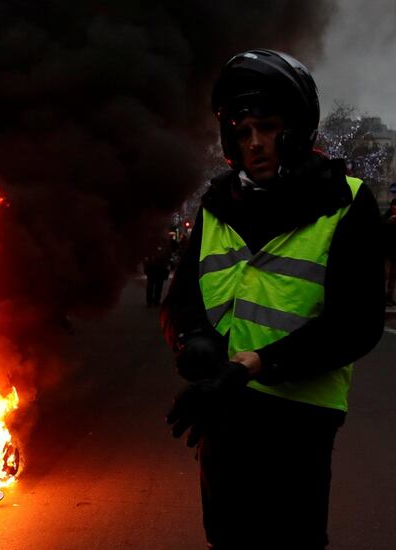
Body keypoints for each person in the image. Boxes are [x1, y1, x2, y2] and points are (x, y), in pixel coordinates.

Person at [160, 49, 384, 549]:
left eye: (267, 127)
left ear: (298, 129)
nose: (255, 144)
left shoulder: (347, 203)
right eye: (242, 133)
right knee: (227, 537)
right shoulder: (216, 207)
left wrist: (258, 364)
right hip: (223, 411)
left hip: (299, 422)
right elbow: (179, 301)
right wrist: (191, 341)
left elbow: (358, 322)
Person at [142, 241, 170, 306]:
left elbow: (145, 257)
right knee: (158, 285)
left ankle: (150, 301)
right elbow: (168, 256)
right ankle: (156, 301)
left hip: (152, 268)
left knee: (151, 285)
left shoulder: (150, 245)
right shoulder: (164, 244)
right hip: (159, 268)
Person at [383, 198, 396, 306]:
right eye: (394, 206)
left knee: (393, 277)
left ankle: (390, 297)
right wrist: (388, 222)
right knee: (385, 275)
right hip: (387, 252)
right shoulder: (386, 216)